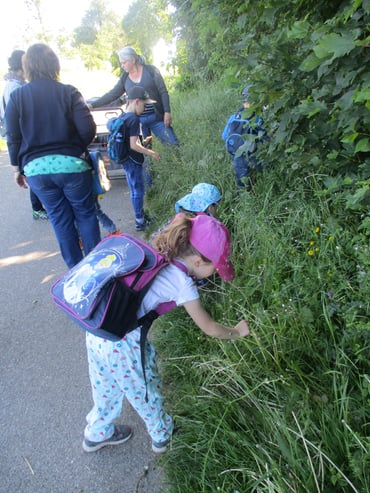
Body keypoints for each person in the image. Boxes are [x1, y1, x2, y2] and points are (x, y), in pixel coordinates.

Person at [83, 213, 250, 454]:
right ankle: (163, 435)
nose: (216, 273)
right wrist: (237, 332)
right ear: (200, 261)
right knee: (145, 388)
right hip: (124, 343)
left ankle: (97, 431)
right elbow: (210, 328)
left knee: (104, 385)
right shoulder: (183, 282)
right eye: (217, 267)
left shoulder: (159, 253)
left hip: (98, 327)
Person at [5, 43, 101, 268]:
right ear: (54, 64)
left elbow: (12, 136)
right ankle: (97, 269)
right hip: (73, 166)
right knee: (85, 215)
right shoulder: (69, 92)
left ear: (26, 67)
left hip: (37, 170)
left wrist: (17, 169)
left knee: (60, 220)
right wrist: (73, 149)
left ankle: (77, 273)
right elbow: (88, 129)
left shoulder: (17, 98)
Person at [89, 46, 179, 147]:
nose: (122, 66)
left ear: (133, 59)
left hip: (156, 117)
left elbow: (163, 91)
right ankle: (149, 162)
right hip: (137, 121)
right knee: (144, 152)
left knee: (173, 145)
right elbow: (111, 95)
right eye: (121, 63)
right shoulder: (125, 78)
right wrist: (92, 105)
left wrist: (167, 112)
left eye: (124, 62)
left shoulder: (151, 71)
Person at [0, 49, 48, 220]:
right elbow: (14, 119)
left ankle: (39, 206)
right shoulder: (15, 88)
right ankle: (37, 208)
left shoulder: (15, 85)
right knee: (31, 172)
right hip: (22, 137)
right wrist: (15, 168)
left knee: (32, 172)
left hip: (21, 136)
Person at [118, 85, 161, 231]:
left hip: (125, 159)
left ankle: (140, 216)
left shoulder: (123, 117)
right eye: (144, 104)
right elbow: (133, 145)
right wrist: (152, 153)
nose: (145, 108)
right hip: (133, 161)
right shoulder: (134, 119)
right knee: (138, 190)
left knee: (133, 189)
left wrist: (144, 143)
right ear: (136, 101)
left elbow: (131, 143)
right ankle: (140, 222)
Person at [223, 86, 269, 187]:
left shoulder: (234, 116)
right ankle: (263, 183)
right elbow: (265, 136)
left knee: (242, 176)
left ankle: (244, 192)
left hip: (236, 154)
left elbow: (224, 136)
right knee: (262, 169)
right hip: (252, 152)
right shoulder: (257, 118)